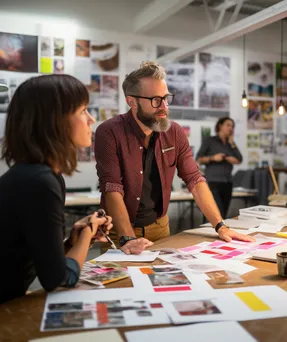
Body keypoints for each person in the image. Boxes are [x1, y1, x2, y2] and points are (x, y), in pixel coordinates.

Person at [95, 61, 254, 255]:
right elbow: (112, 187)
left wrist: (220, 226)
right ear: (132, 102)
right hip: (118, 232)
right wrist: (128, 238)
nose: (164, 107)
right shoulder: (109, 132)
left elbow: (194, 179)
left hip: (160, 229)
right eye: (155, 100)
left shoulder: (174, 132)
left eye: (166, 98)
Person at [0, 74, 113, 303]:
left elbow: (43, 262)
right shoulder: (40, 181)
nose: (91, 119)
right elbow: (58, 279)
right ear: (56, 120)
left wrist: (74, 241)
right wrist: (89, 232)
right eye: (83, 111)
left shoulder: (42, 176)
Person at [196, 117, 242, 219]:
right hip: (213, 183)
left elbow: (239, 159)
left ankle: (220, 234)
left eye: (232, 126)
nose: (231, 128)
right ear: (220, 126)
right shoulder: (210, 141)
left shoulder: (231, 144)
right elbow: (199, 158)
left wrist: (232, 145)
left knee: (223, 215)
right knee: (215, 214)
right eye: (228, 125)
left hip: (228, 183)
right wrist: (213, 158)